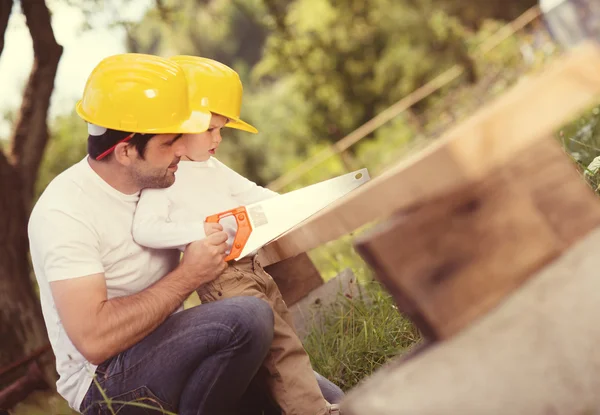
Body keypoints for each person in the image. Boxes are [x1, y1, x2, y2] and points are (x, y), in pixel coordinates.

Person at [27, 53, 343, 415]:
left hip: (172, 347)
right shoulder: (64, 212)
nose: (182, 149)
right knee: (248, 317)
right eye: (168, 142)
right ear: (126, 151)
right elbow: (94, 340)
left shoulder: (160, 180)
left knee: (327, 399)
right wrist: (190, 273)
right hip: (107, 384)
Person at [132, 56, 342, 415]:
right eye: (211, 129)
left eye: (222, 129)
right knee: (278, 347)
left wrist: (304, 205)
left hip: (253, 264)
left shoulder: (213, 166)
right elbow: (145, 229)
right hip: (221, 276)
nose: (219, 138)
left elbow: (254, 194)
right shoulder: (166, 176)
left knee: (286, 341)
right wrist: (198, 231)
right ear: (181, 126)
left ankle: (311, 405)